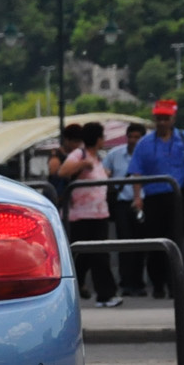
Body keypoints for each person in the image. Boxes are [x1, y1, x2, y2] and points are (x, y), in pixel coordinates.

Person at [128, 99, 184, 300]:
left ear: (173, 119)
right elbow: (136, 173)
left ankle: (175, 284)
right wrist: (138, 197)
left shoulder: (183, 138)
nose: (161, 122)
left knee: (178, 241)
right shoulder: (144, 143)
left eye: (165, 119)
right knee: (157, 245)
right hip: (153, 198)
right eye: (158, 119)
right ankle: (158, 284)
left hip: (178, 197)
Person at [61, 123, 120, 307]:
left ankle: (104, 294)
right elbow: (63, 171)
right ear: (97, 138)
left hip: (99, 214)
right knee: (86, 256)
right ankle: (104, 295)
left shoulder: (98, 158)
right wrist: (81, 164)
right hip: (81, 216)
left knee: (95, 255)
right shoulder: (81, 155)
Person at [104, 122, 149, 297]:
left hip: (144, 202)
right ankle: (126, 283)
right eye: (130, 136)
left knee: (142, 244)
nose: (133, 140)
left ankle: (139, 282)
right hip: (122, 203)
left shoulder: (146, 155)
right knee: (124, 243)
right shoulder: (115, 154)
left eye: (137, 137)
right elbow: (105, 171)